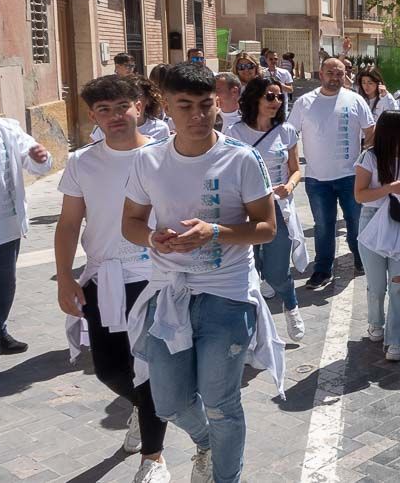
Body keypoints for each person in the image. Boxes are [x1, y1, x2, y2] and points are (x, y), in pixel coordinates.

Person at [121, 62, 282, 482]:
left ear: (217, 105)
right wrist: (153, 239)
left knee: (221, 402)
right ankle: (206, 442)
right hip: (168, 293)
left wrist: (215, 232)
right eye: (185, 106)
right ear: (165, 108)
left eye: (206, 105)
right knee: (168, 401)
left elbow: (266, 228)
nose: (198, 115)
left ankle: (225, 475)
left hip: (227, 295)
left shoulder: (241, 158)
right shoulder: (148, 161)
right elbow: (132, 222)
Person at [55, 76, 169, 482]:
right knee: (109, 370)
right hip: (104, 278)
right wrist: (65, 279)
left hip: (156, 276)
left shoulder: (166, 154)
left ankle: (153, 459)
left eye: (122, 106)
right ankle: (142, 408)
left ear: (139, 106)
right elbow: (69, 224)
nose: (115, 116)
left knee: (150, 368)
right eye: (104, 109)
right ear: (92, 116)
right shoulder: (82, 162)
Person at [226, 77, 307, 342]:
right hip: (243, 210)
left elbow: (295, 170)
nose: (277, 102)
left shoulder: (286, 132)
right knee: (249, 271)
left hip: (276, 209)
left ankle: (291, 305)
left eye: (279, 96)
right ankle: (254, 331)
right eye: (270, 96)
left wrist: (289, 186)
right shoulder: (234, 134)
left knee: (276, 270)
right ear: (255, 99)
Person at [288, 57, 376, 288]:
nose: (335, 78)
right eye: (330, 73)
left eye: (340, 73)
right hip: (317, 180)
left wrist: (365, 162)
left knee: (356, 222)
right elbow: (289, 137)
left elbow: (371, 132)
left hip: (351, 178)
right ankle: (322, 269)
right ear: (321, 73)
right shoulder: (304, 103)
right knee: (323, 226)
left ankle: (361, 259)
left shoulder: (355, 100)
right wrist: (293, 167)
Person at [0, 78, 52, 378]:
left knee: (3, 288)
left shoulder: (6, 127)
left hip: (4, 227)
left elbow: (35, 161)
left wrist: (41, 157)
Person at [354, 110, 400, 361]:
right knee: (377, 285)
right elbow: (359, 195)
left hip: (399, 223)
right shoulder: (369, 157)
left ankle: (395, 340)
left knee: (398, 284)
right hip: (372, 222)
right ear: (391, 131)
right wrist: (388, 189)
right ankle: (375, 322)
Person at [90, 76, 171, 143]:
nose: (133, 99)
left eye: (137, 95)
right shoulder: (105, 127)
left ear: (148, 100)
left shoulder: (160, 128)